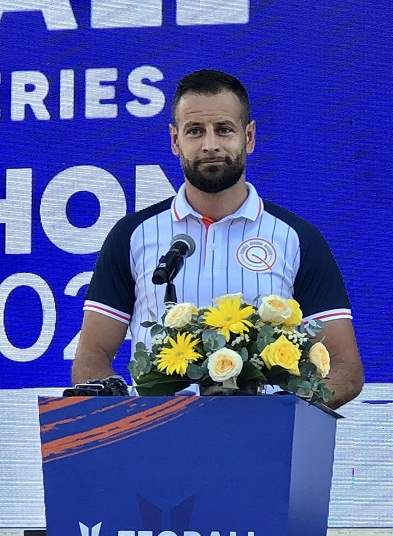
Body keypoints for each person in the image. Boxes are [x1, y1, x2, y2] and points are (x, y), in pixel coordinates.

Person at [72, 69, 364, 409]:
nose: (210, 145)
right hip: (158, 437)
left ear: (249, 137)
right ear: (175, 140)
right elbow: (91, 356)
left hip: (266, 438)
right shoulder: (132, 235)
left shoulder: (297, 238)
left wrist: (284, 416)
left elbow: (344, 366)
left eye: (224, 129)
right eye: (195, 131)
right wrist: (126, 416)